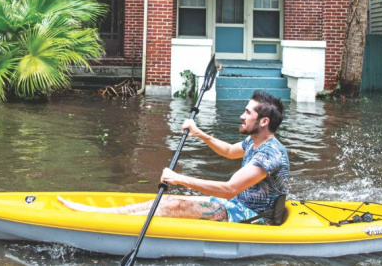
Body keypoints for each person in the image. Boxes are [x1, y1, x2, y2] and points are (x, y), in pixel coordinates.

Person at [59, 91, 289, 223]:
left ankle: (104, 223)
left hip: (255, 217)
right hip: (239, 205)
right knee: (165, 200)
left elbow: (229, 189)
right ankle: (97, 214)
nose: (242, 116)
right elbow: (229, 151)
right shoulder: (255, 141)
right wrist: (199, 133)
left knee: (174, 205)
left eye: (247, 113)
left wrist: (179, 178)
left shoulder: (270, 154)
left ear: (264, 121)